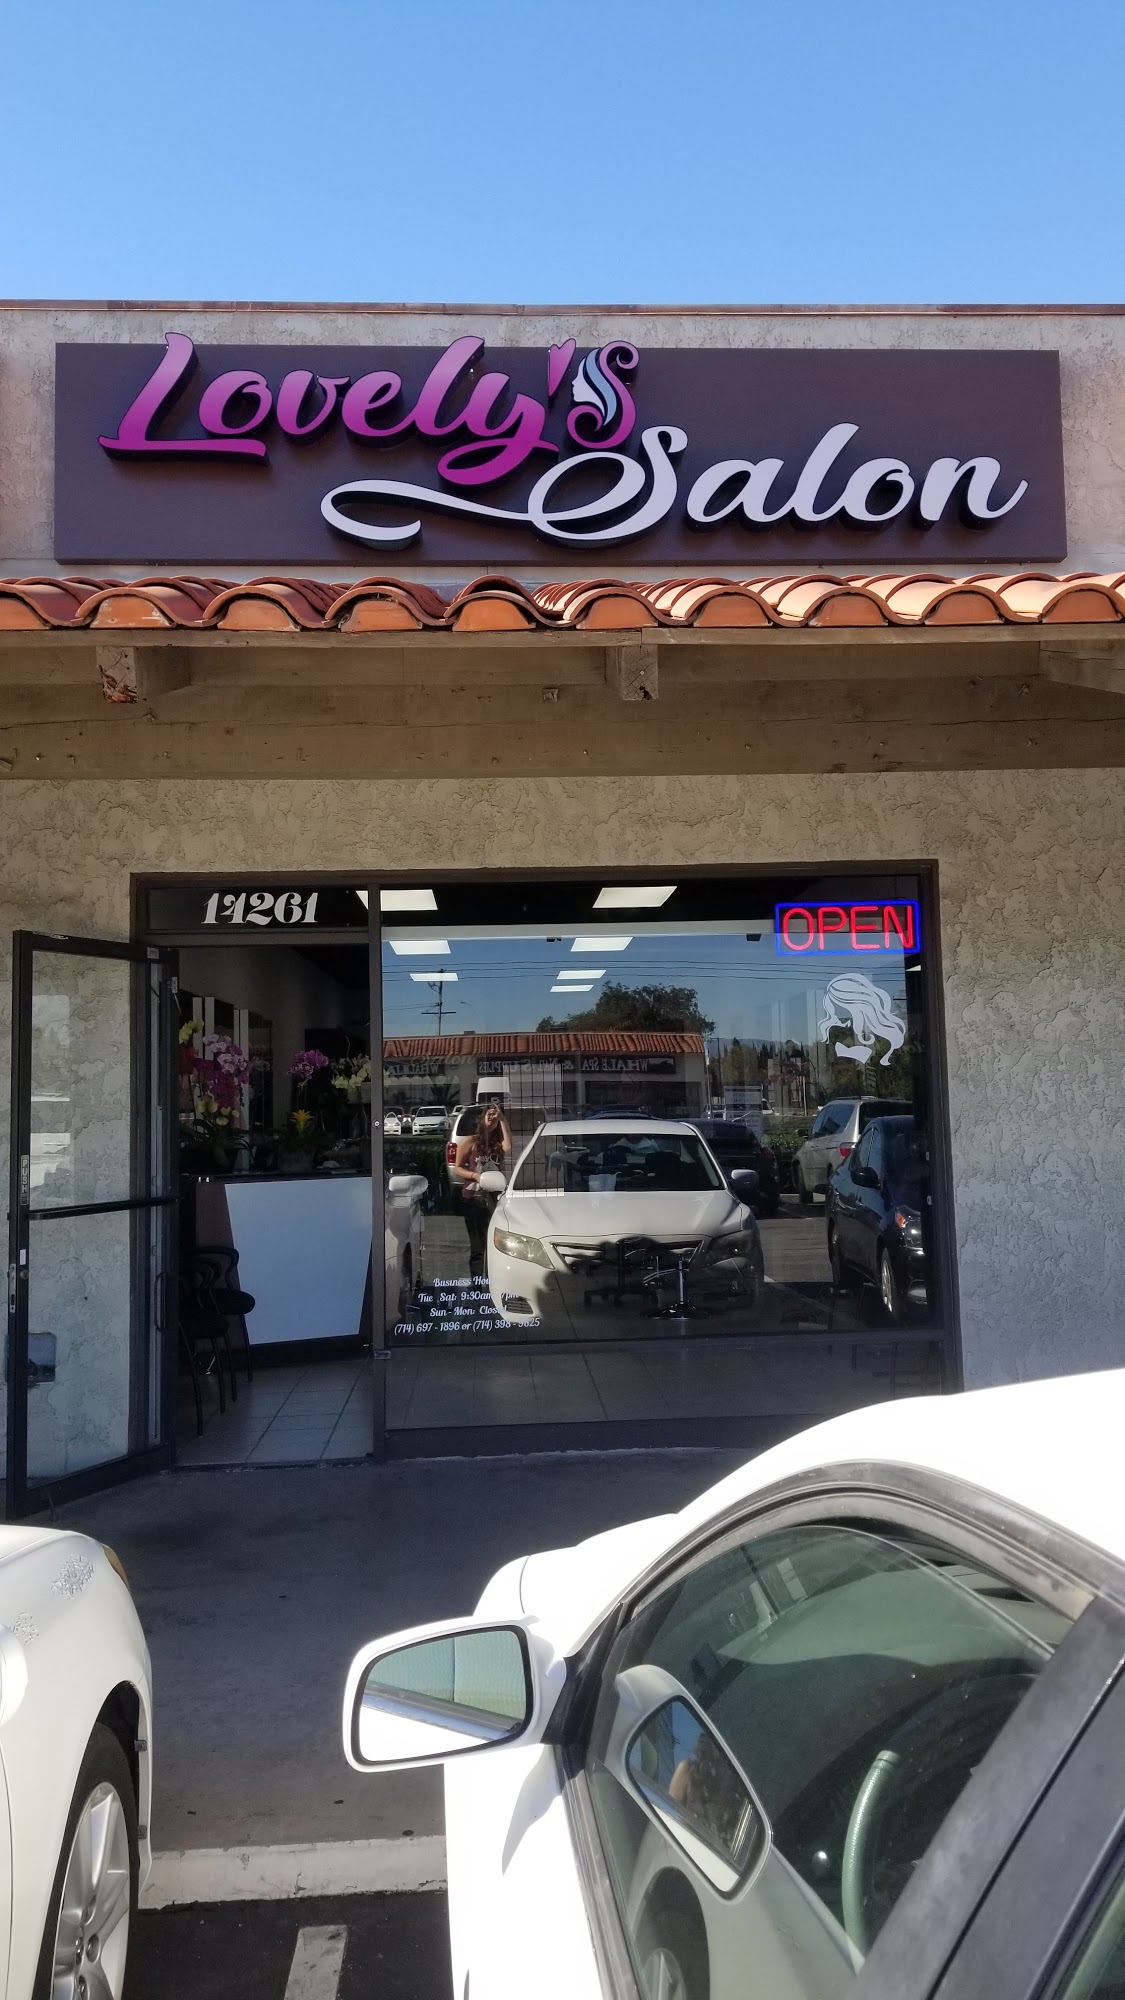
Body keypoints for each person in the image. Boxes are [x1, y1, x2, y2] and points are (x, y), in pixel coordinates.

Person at [453, 1102, 512, 1279]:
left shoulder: (497, 1143)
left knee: (495, 1242)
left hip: (495, 1198)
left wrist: (502, 1120)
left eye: (496, 1115)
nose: (492, 1117)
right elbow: (457, 1168)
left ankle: (493, 1280)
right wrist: (475, 1176)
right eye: (490, 1114)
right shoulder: (470, 1142)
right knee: (477, 1245)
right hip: (473, 1196)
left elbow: (508, 1147)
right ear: (483, 1117)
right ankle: (477, 1282)